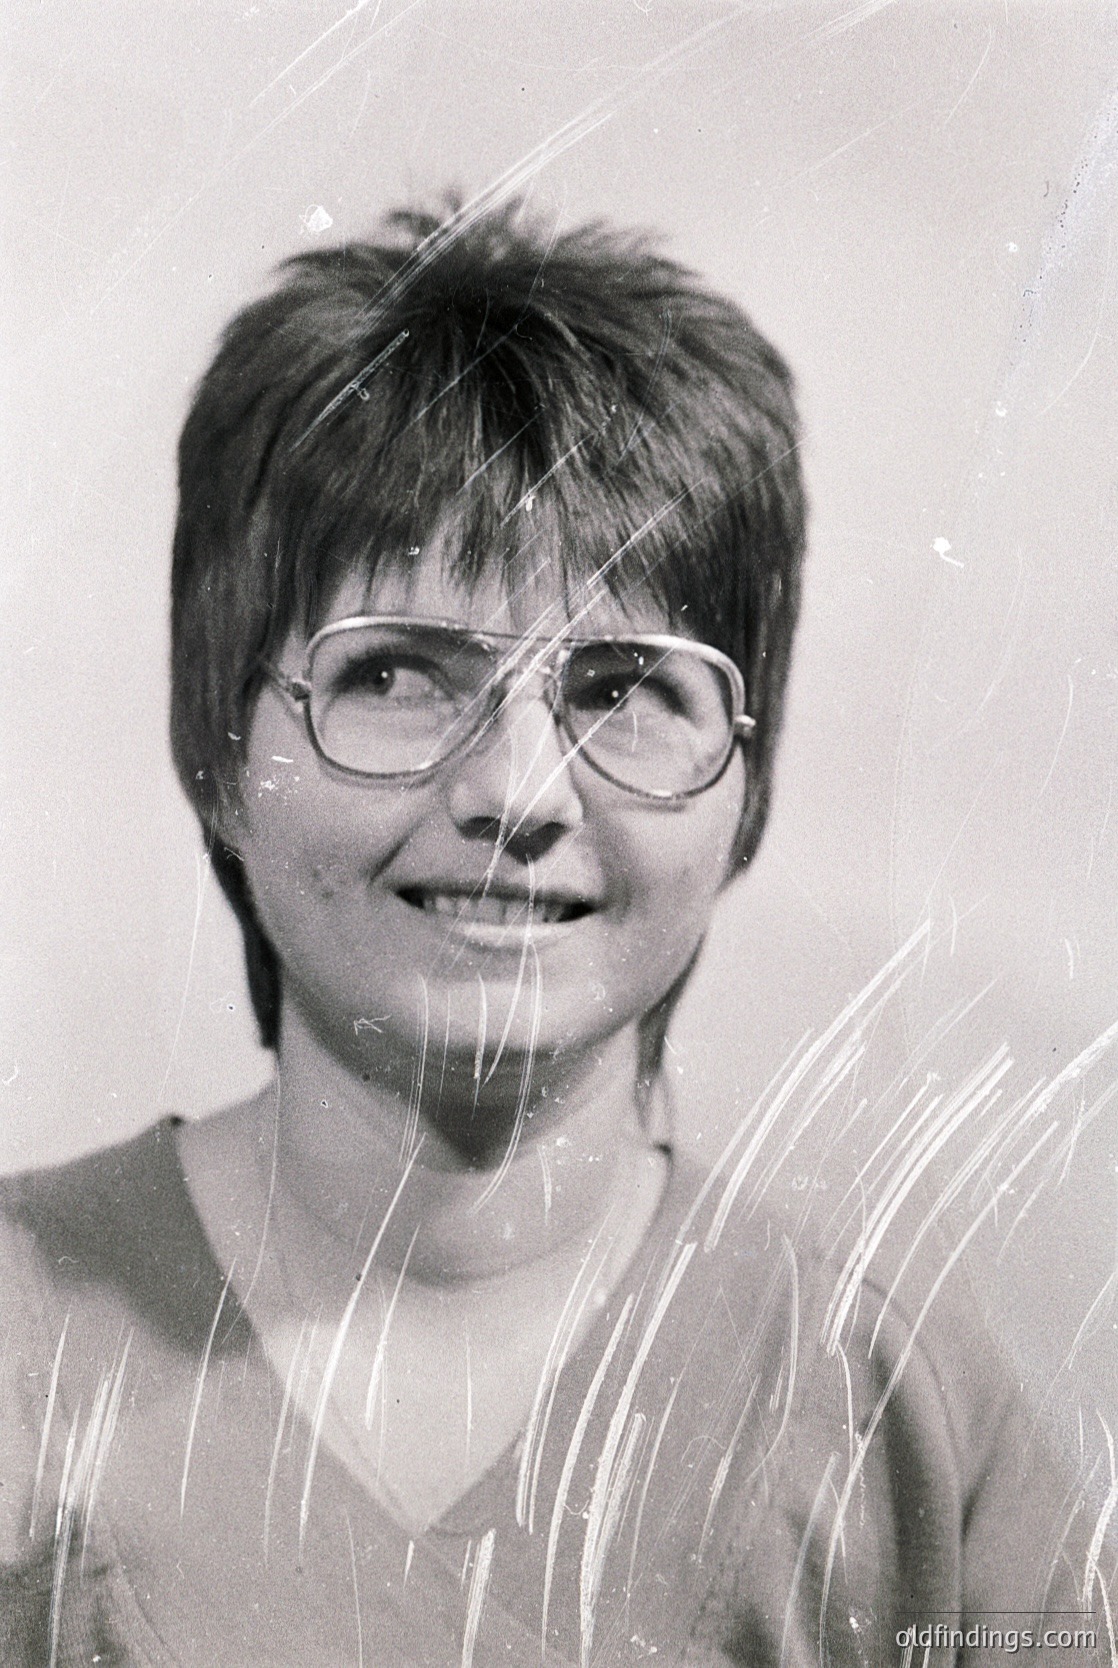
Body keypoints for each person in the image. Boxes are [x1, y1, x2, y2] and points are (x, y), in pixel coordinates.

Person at [0, 202, 1104, 1666]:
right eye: (394, 672)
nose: (515, 792)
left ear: (744, 791)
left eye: (623, 686)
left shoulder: (908, 1416)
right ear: (217, 749)